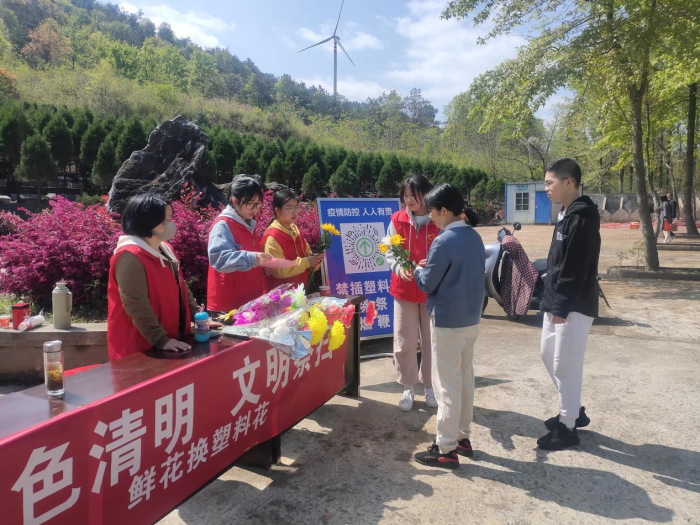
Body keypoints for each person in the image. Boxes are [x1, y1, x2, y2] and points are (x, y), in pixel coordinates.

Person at [412, 183, 485, 469]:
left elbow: (428, 283)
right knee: (465, 378)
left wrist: (419, 270)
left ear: (444, 211)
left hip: (447, 321)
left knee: (447, 385)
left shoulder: (443, 240)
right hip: (470, 320)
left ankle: (445, 447)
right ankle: (461, 437)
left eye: (431, 211)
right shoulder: (474, 237)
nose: (430, 217)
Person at [538, 157, 601, 450]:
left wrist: (561, 306)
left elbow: (576, 266)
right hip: (557, 302)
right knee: (548, 355)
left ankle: (568, 428)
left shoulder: (583, 217)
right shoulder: (566, 214)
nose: (546, 188)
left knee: (565, 365)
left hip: (573, 305)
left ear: (569, 182)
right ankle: (573, 410)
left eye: (550, 183)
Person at [107, 193, 214, 360]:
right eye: (166, 219)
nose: (171, 224)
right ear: (148, 221)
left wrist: (199, 319)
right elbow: (136, 304)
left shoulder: (165, 248)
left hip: (172, 342)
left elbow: (181, 286)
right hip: (142, 350)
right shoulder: (129, 256)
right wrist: (160, 339)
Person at [386, 174, 441, 412]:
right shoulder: (396, 220)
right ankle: (408, 387)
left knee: (431, 343)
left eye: (413, 195)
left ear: (426, 195)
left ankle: (430, 386)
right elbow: (389, 249)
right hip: (404, 289)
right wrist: (399, 268)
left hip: (431, 292)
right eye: (405, 196)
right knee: (404, 341)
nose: (408, 200)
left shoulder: (439, 220)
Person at [207, 175, 271, 313]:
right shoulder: (223, 225)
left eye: (258, 203)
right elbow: (219, 258)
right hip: (229, 306)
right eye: (250, 203)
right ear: (235, 201)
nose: (255, 209)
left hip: (247, 302)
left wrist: (262, 268)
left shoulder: (247, 223)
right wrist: (253, 258)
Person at [262, 189, 324, 287]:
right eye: (290, 208)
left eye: (297, 207)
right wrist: (307, 262)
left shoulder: (295, 230)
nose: (295, 212)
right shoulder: (272, 236)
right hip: (280, 297)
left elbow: (307, 256)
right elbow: (279, 270)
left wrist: (316, 260)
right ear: (277, 210)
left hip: (299, 293)